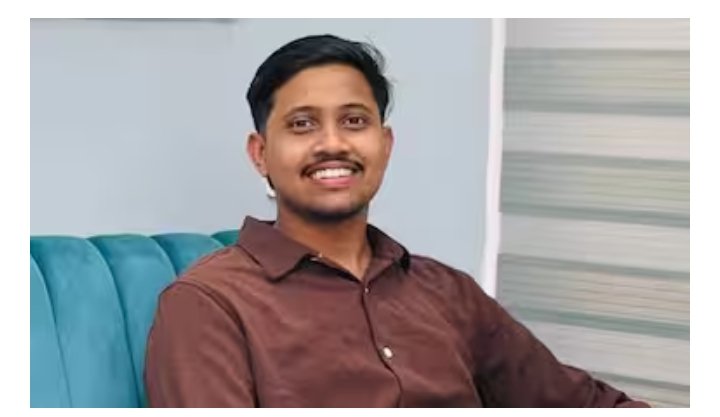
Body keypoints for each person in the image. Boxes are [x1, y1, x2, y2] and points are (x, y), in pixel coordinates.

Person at [144, 34, 649, 407]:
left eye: (354, 121)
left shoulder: (446, 292)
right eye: (302, 124)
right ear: (261, 154)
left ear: (384, 146)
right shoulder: (209, 305)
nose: (332, 143)